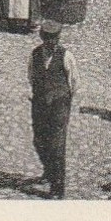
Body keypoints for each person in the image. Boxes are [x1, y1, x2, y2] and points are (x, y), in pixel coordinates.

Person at [28, 20, 77, 199]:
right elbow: (31, 77)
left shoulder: (66, 56)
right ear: (42, 38)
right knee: (39, 140)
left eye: (54, 39)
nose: (51, 43)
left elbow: (73, 82)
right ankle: (48, 171)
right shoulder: (34, 55)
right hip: (40, 104)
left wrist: (61, 97)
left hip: (59, 106)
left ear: (58, 38)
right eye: (48, 39)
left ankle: (58, 187)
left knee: (57, 145)